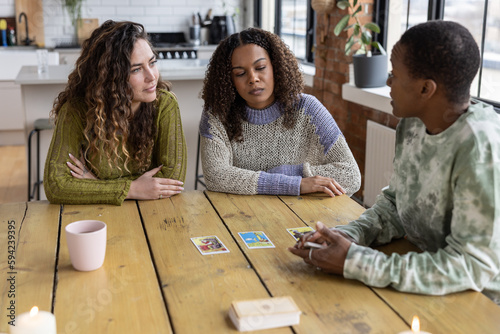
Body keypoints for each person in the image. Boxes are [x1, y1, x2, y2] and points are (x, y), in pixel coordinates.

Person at [289, 20, 500, 304]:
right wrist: (346, 237)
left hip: (478, 301)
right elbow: (395, 205)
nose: (388, 82)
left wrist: (356, 262)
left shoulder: (481, 147)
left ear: (426, 89)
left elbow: (472, 267)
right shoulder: (412, 123)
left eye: (394, 75)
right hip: (420, 271)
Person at [199, 27, 361, 197]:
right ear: (229, 80)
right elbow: (215, 175)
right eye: (240, 73)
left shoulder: (308, 109)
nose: (253, 78)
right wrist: (294, 184)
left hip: (298, 216)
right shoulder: (217, 113)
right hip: (239, 215)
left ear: (275, 66)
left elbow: (351, 175)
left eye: (260, 67)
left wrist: (288, 172)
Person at [44, 20, 187, 205]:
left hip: (153, 211)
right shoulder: (76, 110)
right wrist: (133, 189)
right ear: (111, 78)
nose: (151, 76)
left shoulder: (165, 104)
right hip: (96, 215)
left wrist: (95, 185)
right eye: (136, 69)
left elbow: (172, 180)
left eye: (152, 63)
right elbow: (56, 186)